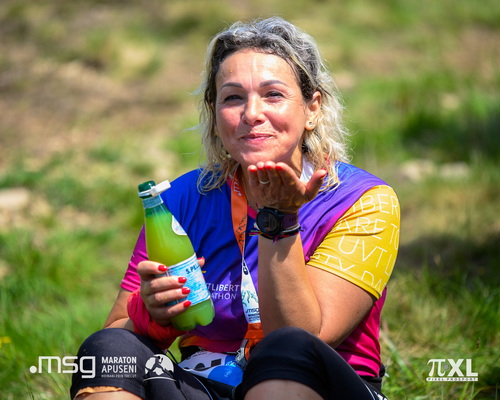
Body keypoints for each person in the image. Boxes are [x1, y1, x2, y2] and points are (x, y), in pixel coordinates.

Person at [71, 16, 400, 400]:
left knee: (287, 347)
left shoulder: (364, 200)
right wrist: (154, 315)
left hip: (319, 384)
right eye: (232, 98)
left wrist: (279, 219)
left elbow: (308, 336)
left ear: (312, 109)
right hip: (204, 381)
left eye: (273, 95)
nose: (251, 113)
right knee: (108, 351)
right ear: (214, 114)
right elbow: (115, 329)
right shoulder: (180, 199)